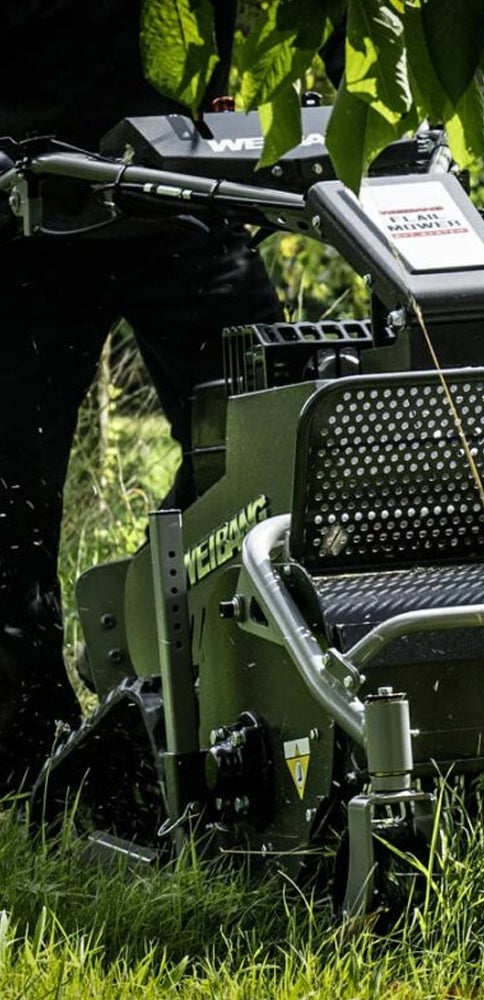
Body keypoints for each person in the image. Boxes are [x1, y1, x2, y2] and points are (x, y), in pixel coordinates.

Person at [0, 0, 282, 794]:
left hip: (185, 194)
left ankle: (182, 680)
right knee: (11, 503)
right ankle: (30, 763)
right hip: (26, 214)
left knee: (273, 445)